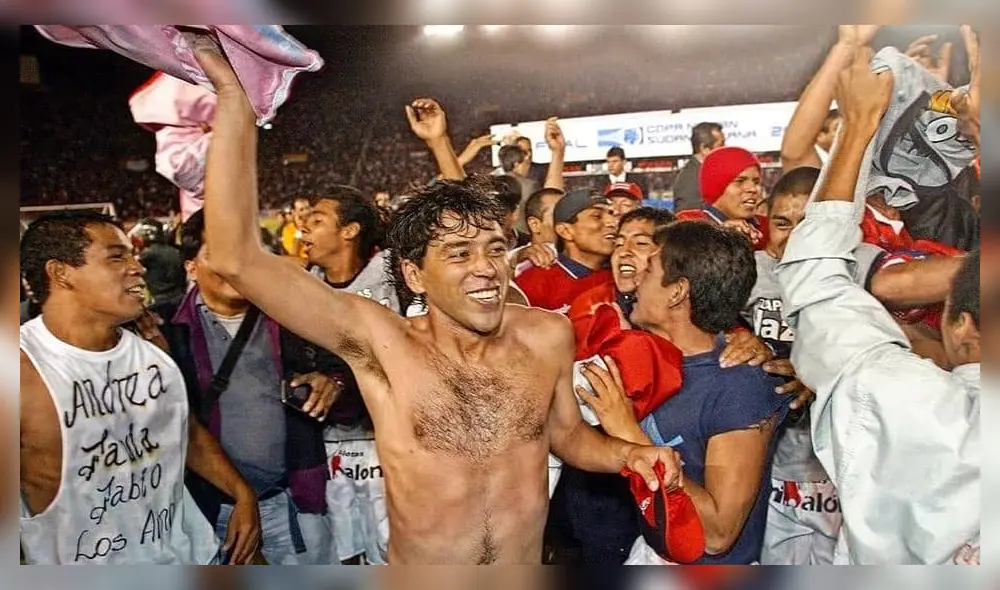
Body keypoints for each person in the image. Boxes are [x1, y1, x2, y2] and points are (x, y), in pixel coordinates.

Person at [192, 39, 682, 565]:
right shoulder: (381, 342)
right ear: (413, 275)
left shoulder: (546, 335)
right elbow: (234, 256)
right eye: (458, 253)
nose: (485, 267)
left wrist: (629, 454)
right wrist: (234, 102)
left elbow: (567, 436)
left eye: (496, 249)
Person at [775, 43, 979, 564]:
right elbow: (895, 285)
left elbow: (818, 279)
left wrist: (857, 126)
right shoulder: (888, 241)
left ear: (966, 328)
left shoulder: (907, 399)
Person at [18, 211, 261, 564]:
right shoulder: (21, 371)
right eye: (117, 256)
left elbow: (186, 432)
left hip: (191, 556)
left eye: (133, 254)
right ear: (61, 273)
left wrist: (241, 492)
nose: (138, 267)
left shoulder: (153, 356)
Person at [588, 221, 788, 565]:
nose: (636, 279)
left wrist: (631, 436)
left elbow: (718, 533)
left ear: (677, 292)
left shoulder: (739, 386)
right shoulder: (646, 357)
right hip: (652, 552)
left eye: (648, 269)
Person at [151, 209, 336, 565]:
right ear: (190, 266)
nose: (234, 267)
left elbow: (340, 366)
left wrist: (332, 381)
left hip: (288, 500)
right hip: (207, 508)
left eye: (244, 254)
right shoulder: (161, 329)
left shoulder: (294, 315)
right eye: (218, 255)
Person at [515, 188, 617, 312]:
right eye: (597, 216)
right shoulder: (534, 283)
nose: (612, 222)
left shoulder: (623, 276)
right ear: (566, 231)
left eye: (612, 214)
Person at [676, 146, 769, 250]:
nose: (753, 189)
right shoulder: (686, 224)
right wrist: (719, 236)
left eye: (756, 182)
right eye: (740, 181)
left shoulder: (770, 227)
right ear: (716, 187)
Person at [670, 122, 725, 212]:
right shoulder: (690, 179)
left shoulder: (707, 173)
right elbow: (688, 219)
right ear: (704, 148)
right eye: (721, 145)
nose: (725, 148)